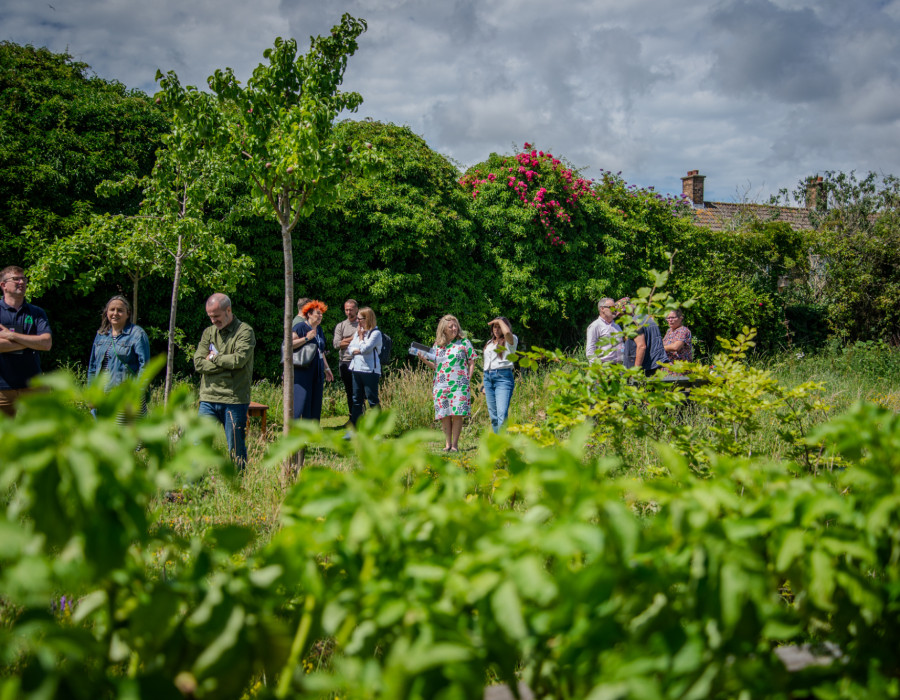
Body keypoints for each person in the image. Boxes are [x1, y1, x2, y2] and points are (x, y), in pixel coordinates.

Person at [193, 293, 256, 469]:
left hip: (234, 399)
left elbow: (238, 361)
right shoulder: (209, 332)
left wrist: (212, 358)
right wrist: (223, 362)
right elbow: (198, 363)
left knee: (236, 448)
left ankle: (238, 487)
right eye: (210, 316)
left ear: (228, 310)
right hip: (208, 398)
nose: (213, 320)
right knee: (199, 444)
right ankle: (191, 487)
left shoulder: (245, 331)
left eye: (216, 316)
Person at [417, 314, 476, 452]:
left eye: (456, 326)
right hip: (441, 385)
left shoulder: (464, 343)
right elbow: (436, 366)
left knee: (457, 414)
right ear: (443, 329)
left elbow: (472, 361)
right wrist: (425, 361)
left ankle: (455, 445)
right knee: (444, 414)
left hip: (460, 384)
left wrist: (468, 379)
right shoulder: (437, 345)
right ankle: (447, 444)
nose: (454, 328)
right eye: (451, 326)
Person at [0, 265, 52, 417]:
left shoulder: (36, 312)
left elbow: (46, 343)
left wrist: (12, 336)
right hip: (2, 390)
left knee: (39, 435)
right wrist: (31, 342)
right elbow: (39, 342)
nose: (21, 282)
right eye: (16, 279)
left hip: (33, 387)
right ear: (3, 285)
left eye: (24, 278)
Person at [87, 295, 151, 417]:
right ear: (107, 313)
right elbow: (92, 367)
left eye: (120, 310)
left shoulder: (137, 334)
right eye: (112, 310)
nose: (115, 313)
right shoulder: (101, 335)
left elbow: (145, 367)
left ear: (128, 314)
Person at [292, 300, 334, 422]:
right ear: (309, 314)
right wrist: (306, 338)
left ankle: (313, 428)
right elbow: (289, 344)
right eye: (318, 313)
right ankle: (298, 429)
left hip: (317, 368)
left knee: (316, 398)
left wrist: (327, 368)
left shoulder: (319, 329)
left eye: (321, 314)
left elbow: (320, 350)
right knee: (303, 399)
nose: (320, 316)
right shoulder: (300, 327)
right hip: (303, 369)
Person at [347, 307, 382, 427]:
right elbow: (350, 348)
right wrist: (358, 349)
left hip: (369, 370)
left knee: (372, 400)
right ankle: (355, 427)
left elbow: (365, 349)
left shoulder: (375, 333)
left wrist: (361, 340)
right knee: (356, 400)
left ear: (367, 319)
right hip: (356, 369)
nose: (357, 321)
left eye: (359, 319)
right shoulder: (358, 333)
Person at [482, 316, 518, 433]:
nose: (496, 329)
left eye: (499, 326)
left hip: (503, 378)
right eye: (494, 327)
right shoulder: (489, 343)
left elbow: (507, 332)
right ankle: (499, 444)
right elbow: (487, 365)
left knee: (502, 414)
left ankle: (504, 445)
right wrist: (484, 385)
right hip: (488, 378)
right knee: (493, 416)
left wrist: (499, 321)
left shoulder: (511, 340)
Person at [620, 299, 668, 377]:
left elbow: (641, 346)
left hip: (642, 368)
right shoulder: (648, 319)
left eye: (621, 314)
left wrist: (636, 371)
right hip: (654, 365)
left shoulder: (634, 322)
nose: (621, 317)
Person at [333, 298, 360, 420]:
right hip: (345, 361)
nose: (348, 312)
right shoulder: (341, 326)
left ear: (357, 309)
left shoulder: (362, 324)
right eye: (346, 310)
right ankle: (352, 419)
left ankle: (360, 418)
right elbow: (336, 345)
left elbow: (364, 342)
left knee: (359, 392)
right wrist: (355, 337)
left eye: (351, 309)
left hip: (360, 361)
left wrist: (345, 340)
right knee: (349, 392)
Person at [585, 298, 623, 364]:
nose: (614, 310)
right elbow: (590, 351)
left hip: (619, 367)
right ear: (602, 309)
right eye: (611, 307)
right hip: (604, 367)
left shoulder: (616, 325)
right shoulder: (595, 326)